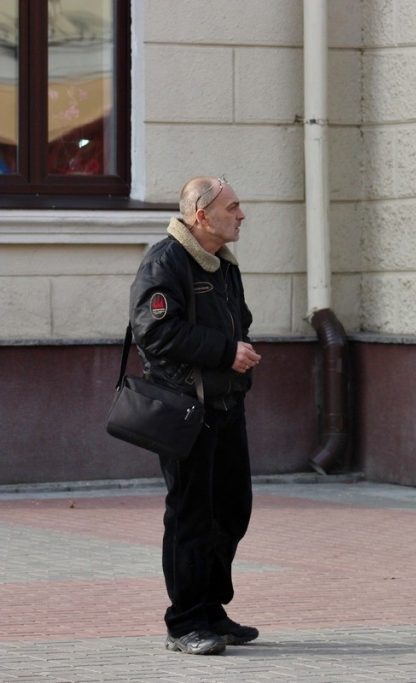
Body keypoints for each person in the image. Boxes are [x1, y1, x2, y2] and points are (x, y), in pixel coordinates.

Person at [130, 176, 263, 655]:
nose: (241, 214)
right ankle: (184, 622)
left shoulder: (224, 265)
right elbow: (155, 333)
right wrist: (227, 351)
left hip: (226, 406)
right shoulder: (165, 261)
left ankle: (212, 610)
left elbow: (238, 320)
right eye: (233, 206)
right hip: (186, 408)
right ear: (201, 215)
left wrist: (239, 354)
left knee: (231, 510)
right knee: (190, 515)